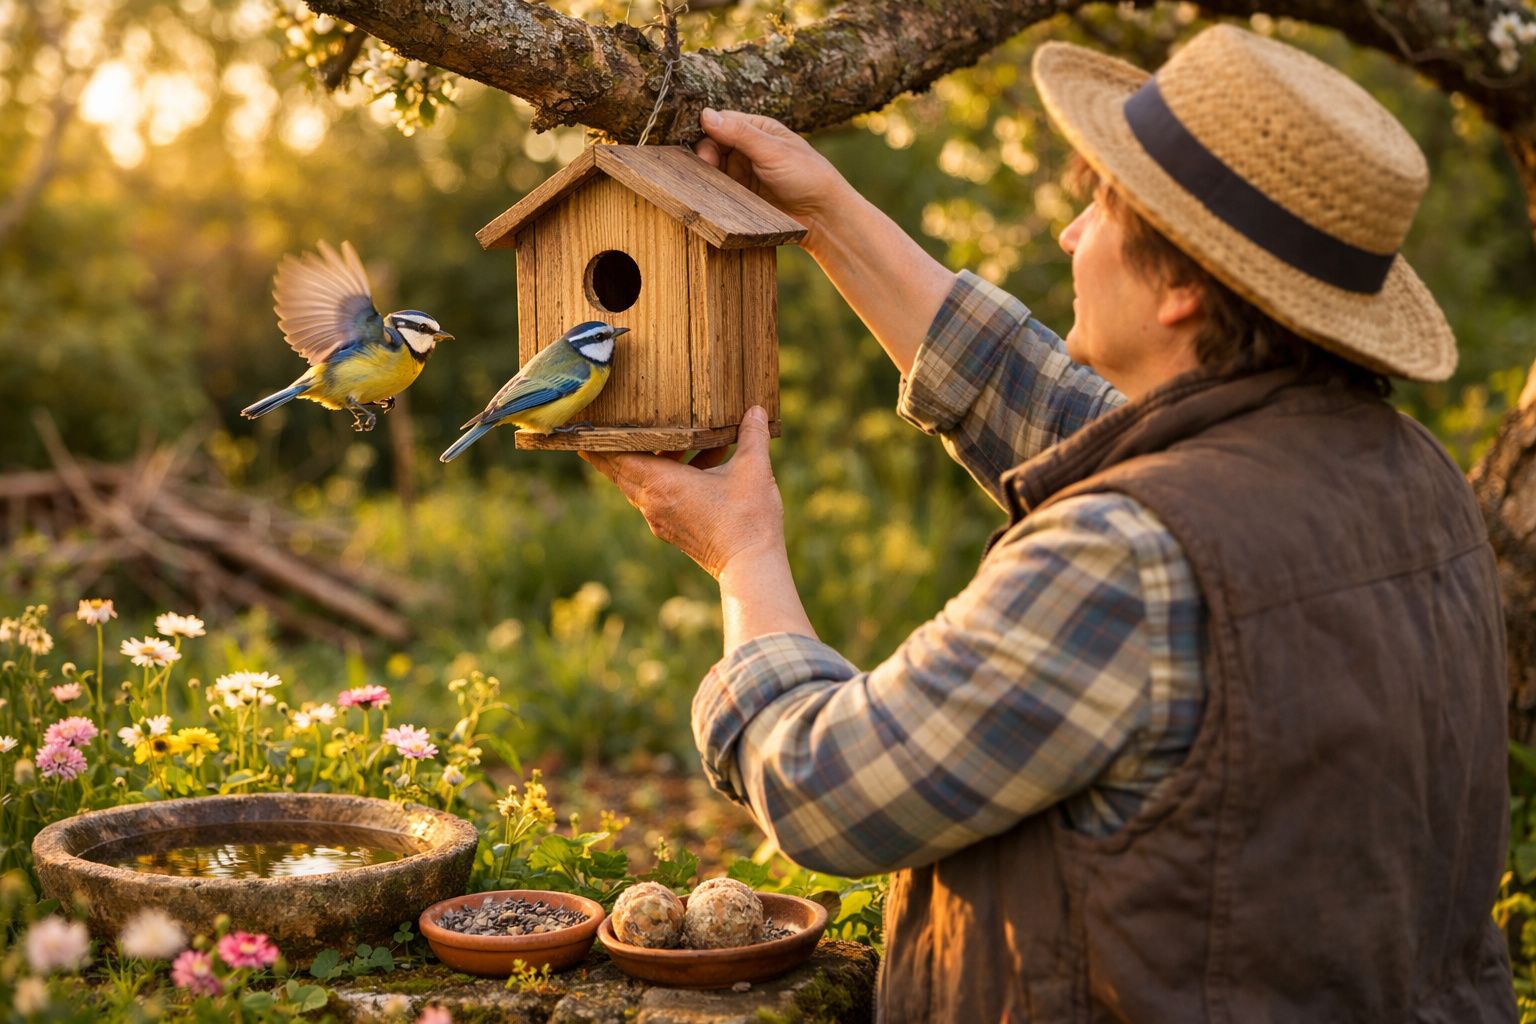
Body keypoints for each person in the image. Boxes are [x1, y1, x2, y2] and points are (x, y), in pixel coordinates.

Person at [582, 24, 1516, 1022]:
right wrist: (824, 210)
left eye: (1100, 206)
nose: (1073, 235)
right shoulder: (1408, 474)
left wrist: (745, 556)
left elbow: (828, 785)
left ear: (1185, 286)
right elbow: (1048, 405)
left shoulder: (1130, 559)